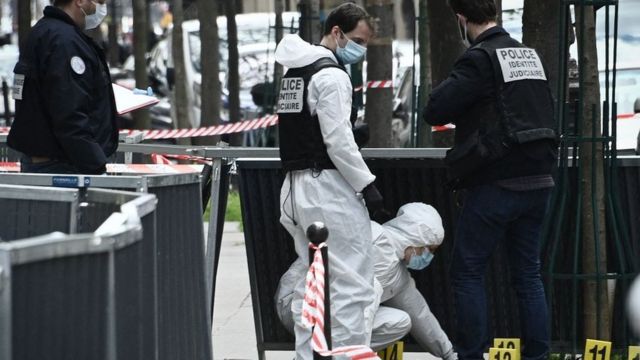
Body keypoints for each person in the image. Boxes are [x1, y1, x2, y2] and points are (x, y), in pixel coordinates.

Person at [422, 1, 558, 359]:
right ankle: (538, 355)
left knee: (467, 273)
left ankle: (471, 355)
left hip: (498, 182)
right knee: (529, 276)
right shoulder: (529, 55)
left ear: (461, 18)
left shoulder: (479, 58)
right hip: (540, 180)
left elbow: (435, 110)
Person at [275, 3, 386, 357]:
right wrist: (367, 185)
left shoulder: (295, 71)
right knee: (352, 287)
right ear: (336, 32)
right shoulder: (333, 76)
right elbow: (336, 140)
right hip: (328, 191)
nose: (361, 49)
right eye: (357, 40)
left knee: (313, 284)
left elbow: (306, 128)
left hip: (294, 190)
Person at [275, 203, 456, 358]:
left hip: (322, 311)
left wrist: (448, 354)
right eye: (429, 249)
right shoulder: (377, 246)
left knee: (401, 321)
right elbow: (363, 309)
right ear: (416, 239)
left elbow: (419, 314)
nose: (429, 256)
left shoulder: (395, 268)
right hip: (297, 303)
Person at [8, 0, 117, 175]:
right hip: (61, 167)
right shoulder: (66, 43)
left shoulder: (44, 32)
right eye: (99, 1)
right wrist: (95, 165)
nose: (101, 7)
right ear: (80, 1)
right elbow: (70, 115)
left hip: (47, 162)